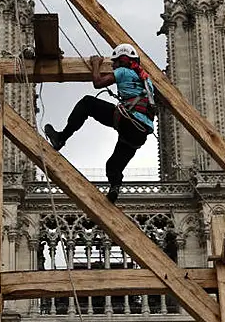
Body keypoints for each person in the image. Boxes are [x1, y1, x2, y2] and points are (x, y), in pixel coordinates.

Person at [44, 43, 158, 203]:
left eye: (114, 62)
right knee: (113, 166)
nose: (113, 65)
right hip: (140, 133)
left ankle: (61, 138)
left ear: (121, 61)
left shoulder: (123, 71)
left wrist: (96, 63)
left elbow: (97, 82)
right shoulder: (147, 81)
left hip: (128, 120)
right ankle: (114, 189)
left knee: (87, 103)